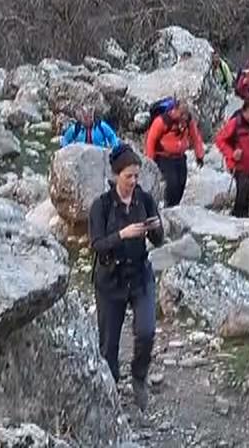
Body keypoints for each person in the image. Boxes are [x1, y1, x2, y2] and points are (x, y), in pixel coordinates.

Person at [88, 146, 167, 408]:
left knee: (146, 330)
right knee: (108, 343)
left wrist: (155, 227)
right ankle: (109, 390)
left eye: (136, 176)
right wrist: (122, 234)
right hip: (110, 279)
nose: (133, 181)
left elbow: (158, 239)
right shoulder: (101, 205)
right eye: (128, 176)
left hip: (139, 274)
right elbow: (97, 244)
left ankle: (139, 376)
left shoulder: (144, 200)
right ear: (116, 175)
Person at [144, 102, 207, 209]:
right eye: (181, 113)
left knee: (181, 183)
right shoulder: (162, 121)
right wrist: (150, 161)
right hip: (164, 157)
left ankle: (175, 206)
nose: (184, 117)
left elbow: (195, 137)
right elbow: (151, 140)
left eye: (185, 114)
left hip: (180, 157)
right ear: (175, 110)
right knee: (172, 184)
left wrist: (199, 155)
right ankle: (169, 207)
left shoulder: (188, 121)